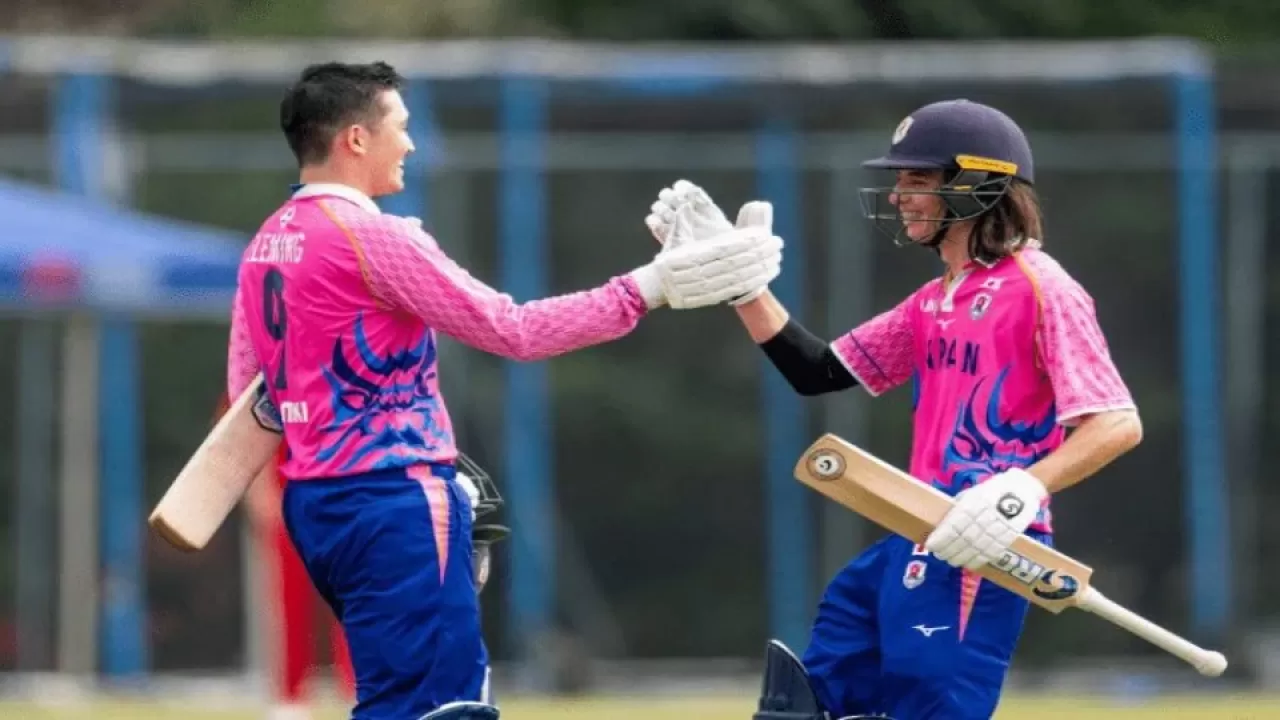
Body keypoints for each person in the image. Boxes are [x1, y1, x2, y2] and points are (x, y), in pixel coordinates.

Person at [226, 60, 782, 720]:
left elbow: (247, 389)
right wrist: (650, 286)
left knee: (397, 694)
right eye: (400, 127)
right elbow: (511, 329)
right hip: (394, 500)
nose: (409, 142)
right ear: (354, 139)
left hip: (317, 506)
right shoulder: (372, 234)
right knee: (440, 708)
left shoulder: (268, 241)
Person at [646, 99, 1144, 720]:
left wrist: (1019, 491)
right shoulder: (933, 300)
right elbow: (819, 370)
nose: (900, 195)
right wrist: (743, 287)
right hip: (915, 534)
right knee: (803, 704)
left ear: (978, 184)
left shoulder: (1044, 289)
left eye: (917, 181)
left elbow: (1116, 422)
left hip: (982, 547)